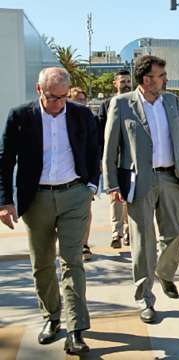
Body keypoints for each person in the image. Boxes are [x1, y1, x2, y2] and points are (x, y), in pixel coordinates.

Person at [0, 67, 100, 354]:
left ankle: (76, 329)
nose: (58, 103)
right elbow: (5, 160)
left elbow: (94, 149)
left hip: (74, 196)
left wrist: (91, 186)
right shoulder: (20, 116)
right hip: (37, 200)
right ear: (38, 90)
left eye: (63, 97)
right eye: (52, 97)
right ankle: (52, 318)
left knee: (72, 263)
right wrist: (5, 201)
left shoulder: (81, 114)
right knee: (42, 265)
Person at [103, 55, 179, 323]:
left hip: (171, 178)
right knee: (143, 241)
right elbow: (110, 148)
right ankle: (145, 298)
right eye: (161, 76)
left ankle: (163, 272)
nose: (165, 80)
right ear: (146, 79)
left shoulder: (172, 102)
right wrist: (112, 184)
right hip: (140, 181)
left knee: (174, 234)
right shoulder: (121, 103)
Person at [97, 69, 132, 248]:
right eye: (123, 81)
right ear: (115, 84)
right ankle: (115, 233)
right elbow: (102, 134)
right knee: (114, 196)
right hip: (113, 158)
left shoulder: (134, 102)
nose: (126, 84)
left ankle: (127, 232)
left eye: (128, 81)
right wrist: (103, 160)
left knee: (128, 196)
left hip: (130, 160)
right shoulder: (106, 104)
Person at [68, 87, 94, 261]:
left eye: (83, 99)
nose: (81, 103)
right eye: (77, 99)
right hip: (64, 175)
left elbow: (95, 146)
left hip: (83, 174)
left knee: (86, 209)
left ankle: (84, 243)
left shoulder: (88, 118)